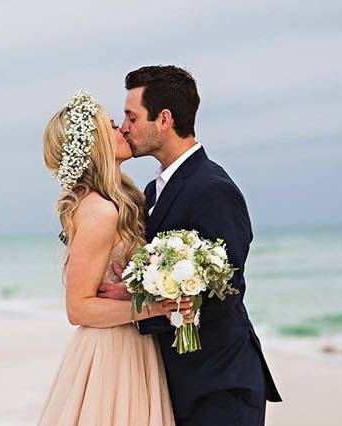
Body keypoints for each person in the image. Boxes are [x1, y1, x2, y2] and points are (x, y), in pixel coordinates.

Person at [98, 65, 282, 425]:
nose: (123, 127)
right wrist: (131, 290)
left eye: (131, 117)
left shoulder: (213, 188)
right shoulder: (151, 191)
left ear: (163, 119)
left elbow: (225, 289)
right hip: (179, 383)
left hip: (219, 386)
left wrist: (139, 301)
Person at [38, 90, 189, 425]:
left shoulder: (123, 200)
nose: (122, 129)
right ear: (93, 144)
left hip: (132, 343)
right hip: (110, 352)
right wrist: (154, 307)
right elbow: (78, 308)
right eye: (110, 125)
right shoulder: (98, 211)